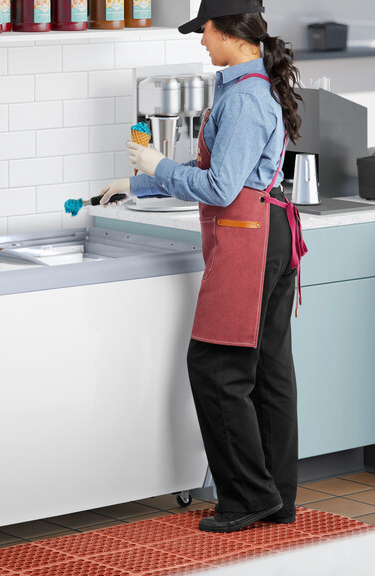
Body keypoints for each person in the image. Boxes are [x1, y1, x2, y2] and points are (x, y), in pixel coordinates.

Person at [100, 0, 307, 533]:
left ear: (231, 33)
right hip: (269, 233)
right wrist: (138, 183)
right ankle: (276, 499)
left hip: (249, 240)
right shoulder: (250, 86)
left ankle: (245, 498)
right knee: (267, 372)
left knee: (216, 369)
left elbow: (219, 186)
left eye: (205, 31)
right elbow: (214, 168)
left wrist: (157, 164)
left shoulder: (243, 99)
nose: (200, 41)